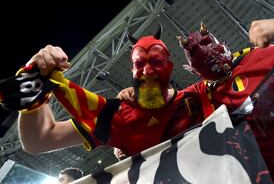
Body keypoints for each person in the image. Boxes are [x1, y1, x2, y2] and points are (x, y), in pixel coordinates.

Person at [119, 17, 274, 183]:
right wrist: (126, 123)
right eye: (194, 51)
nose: (206, 51)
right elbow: (149, 141)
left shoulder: (264, 57)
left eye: (206, 41)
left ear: (221, 43)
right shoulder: (194, 101)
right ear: (189, 69)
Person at [17, 27, 203, 156]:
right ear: (132, 70)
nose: (147, 71)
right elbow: (38, 140)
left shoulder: (198, 97)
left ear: (168, 65)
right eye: (139, 64)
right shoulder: (118, 116)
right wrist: (34, 82)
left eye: (155, 62)